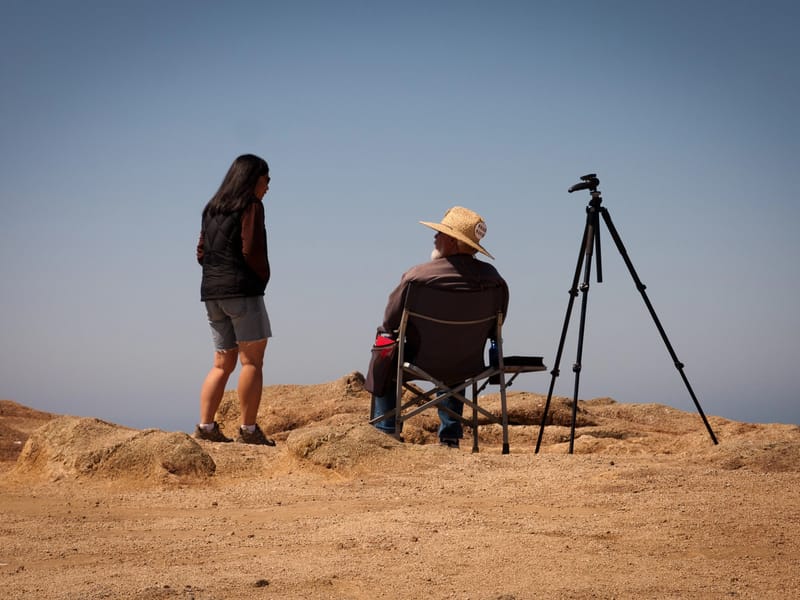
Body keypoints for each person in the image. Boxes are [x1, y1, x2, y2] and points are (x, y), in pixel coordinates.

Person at [367, 206, 509, 449]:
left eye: (440, 233)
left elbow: (390, 323)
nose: (434, 237)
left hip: (420, 361)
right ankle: (450, 437)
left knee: (385, 352)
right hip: (467, 363)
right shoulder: (495, 281)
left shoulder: (417, 277)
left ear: (453, 242)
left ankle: (386, 430)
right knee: (457, 357)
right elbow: (495, 327)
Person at [194, 154, 275, 445]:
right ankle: (249, 431)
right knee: (252, 361)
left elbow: (201, 251)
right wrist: (262, 278)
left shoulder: (211, 208)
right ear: (254, 178)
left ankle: (206, 427)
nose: (269, 186)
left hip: (212, 293)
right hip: (242, 291)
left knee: (221, 363)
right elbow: (251, 248)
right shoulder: (251, 205)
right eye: (267, 179)